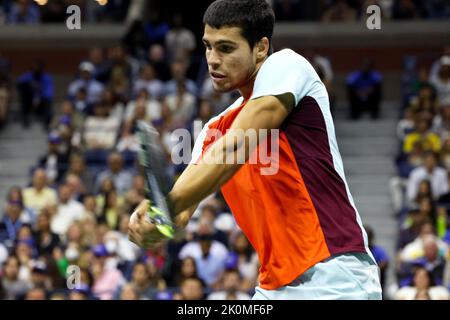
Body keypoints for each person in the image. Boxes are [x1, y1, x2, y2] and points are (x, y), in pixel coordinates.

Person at [128, 0, 382, 300]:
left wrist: (166, 204)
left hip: (333, 274)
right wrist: (155, 225)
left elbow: (236, 147)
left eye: (225, 48)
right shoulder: (213, 131)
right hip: (272, 288)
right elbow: (180, 212)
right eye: (208, 46)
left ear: (261, 47)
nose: (212, 59)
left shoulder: (287, 67)